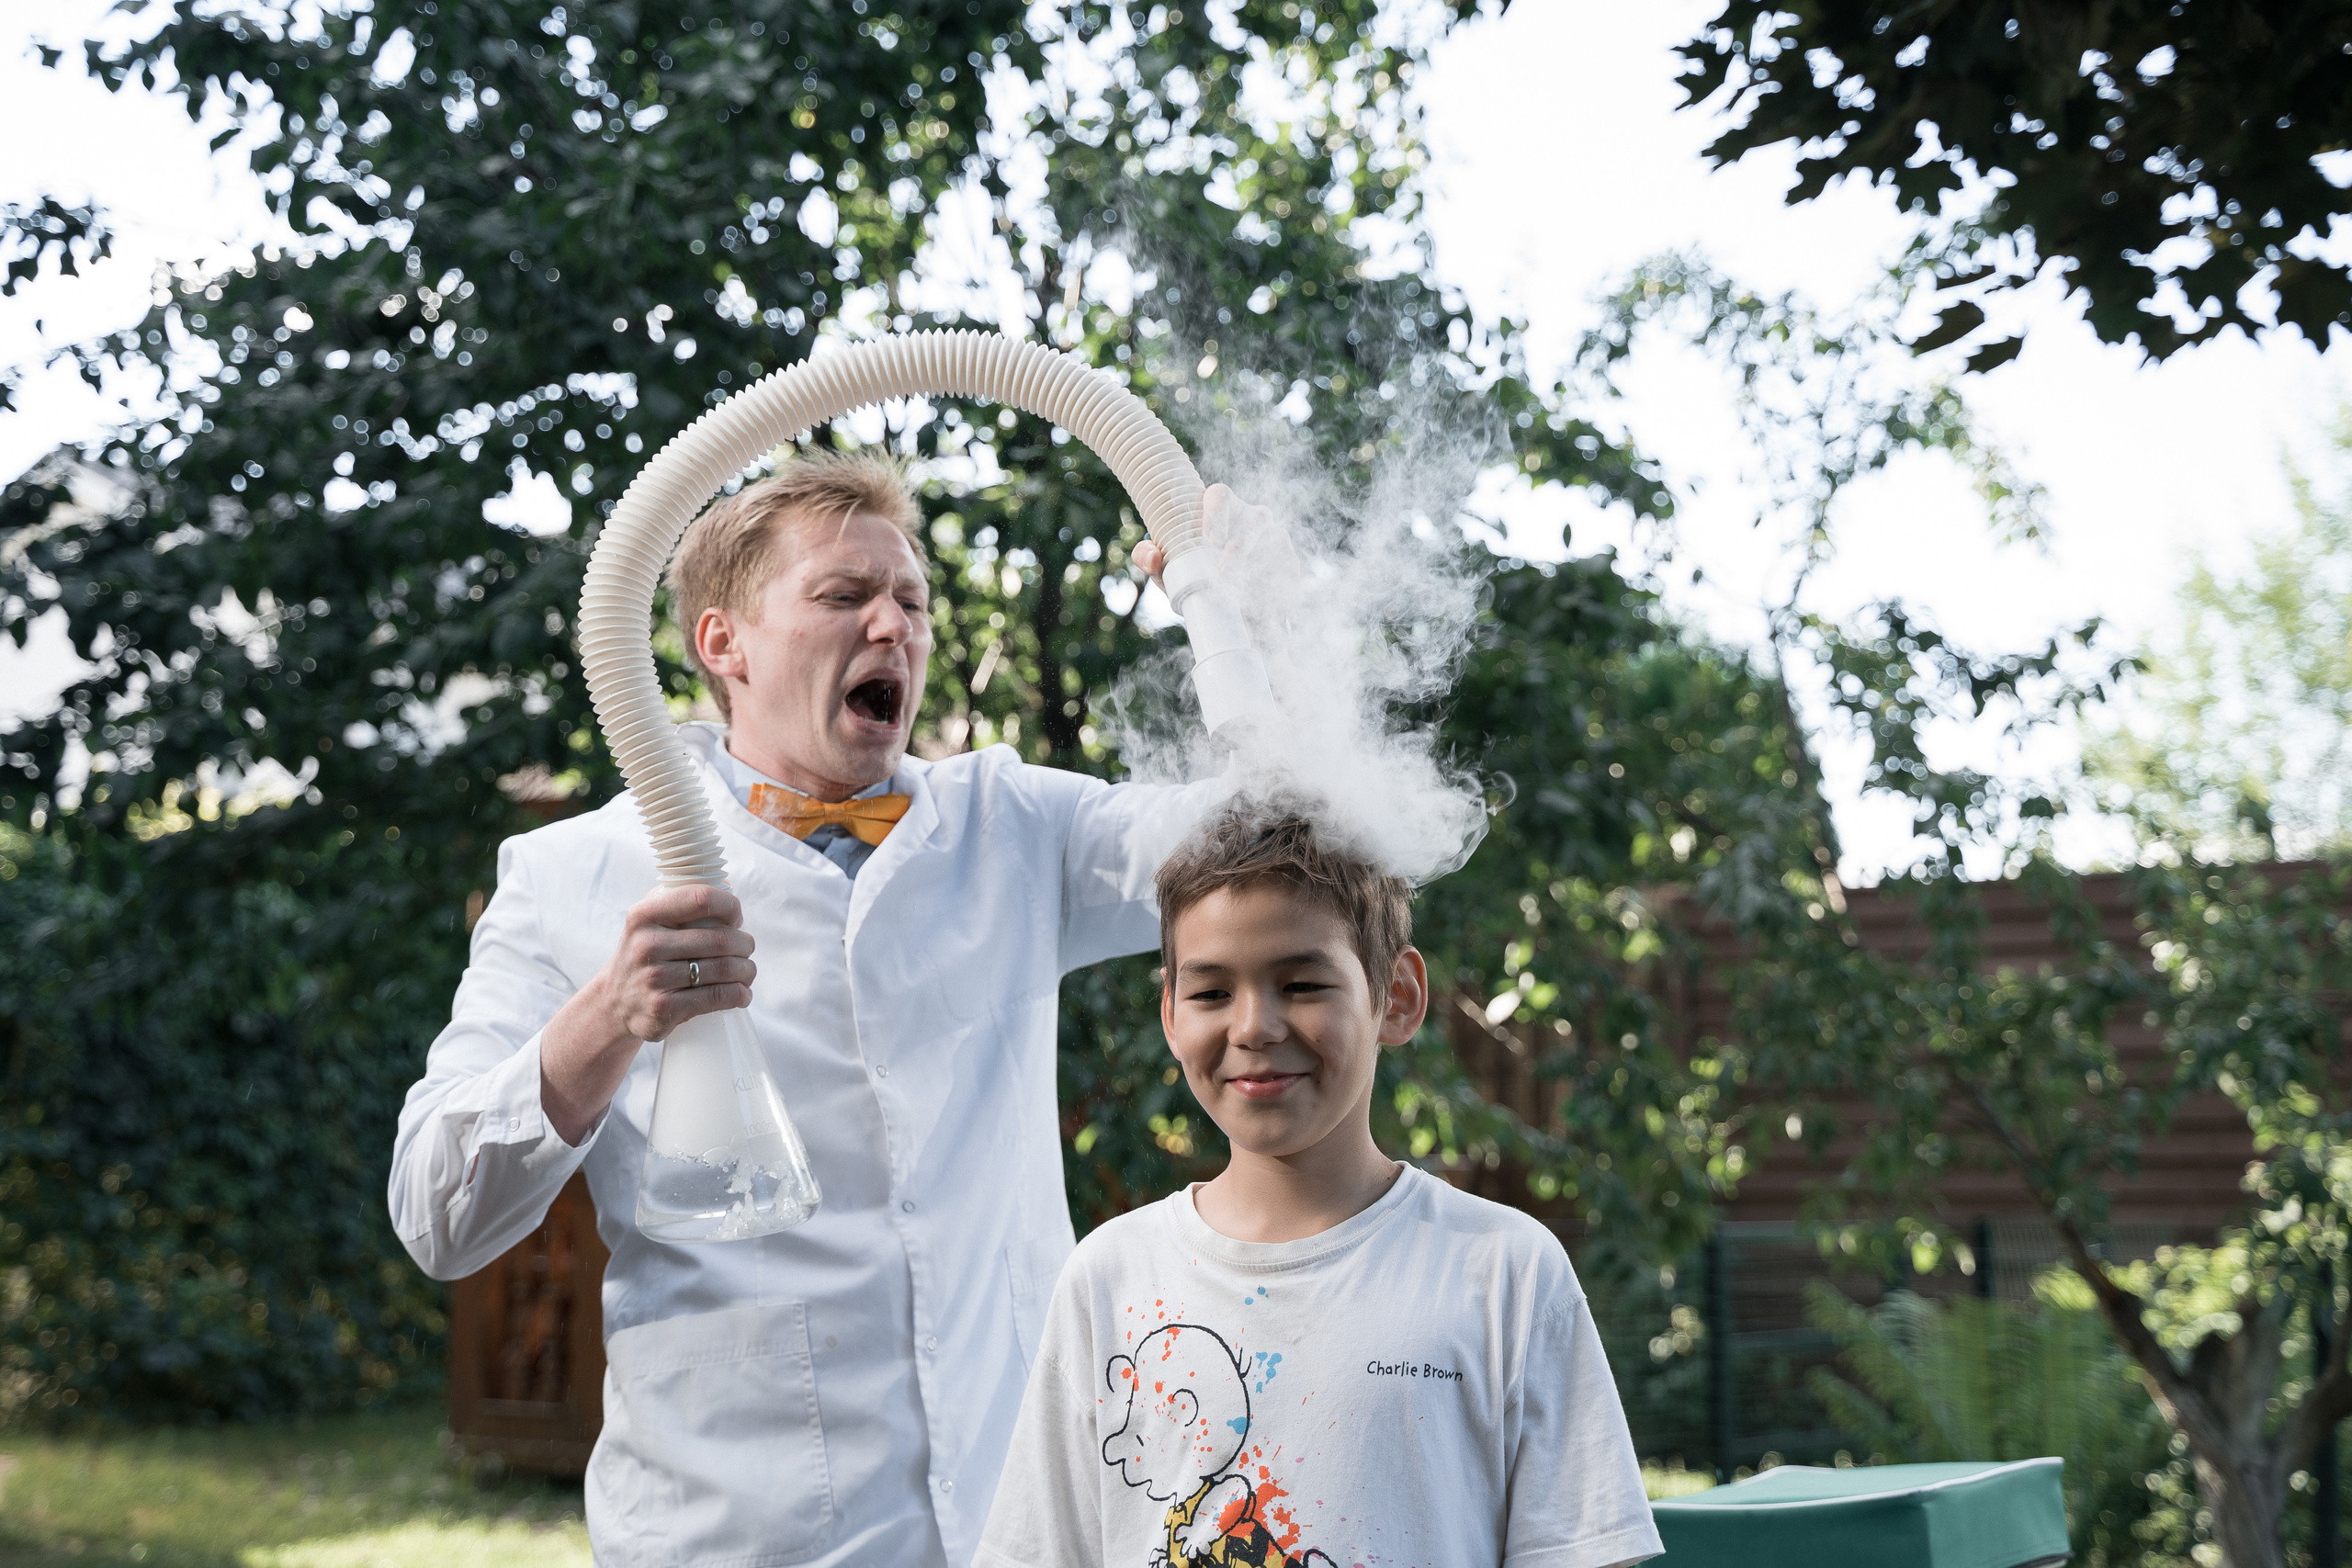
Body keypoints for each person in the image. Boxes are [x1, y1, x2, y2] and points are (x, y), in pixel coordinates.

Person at [390, 450, 1228, 1568]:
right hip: (737, 1532)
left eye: (913, 603)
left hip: (1020, 1523)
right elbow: (439, 1214)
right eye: (843, 596)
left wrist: (1231, 614)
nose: (894, 627)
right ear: (722, 642)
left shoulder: (1014, 828)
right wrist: (603, 1020)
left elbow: (1283, 840)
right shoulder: (573, 874)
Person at [974, 807, 1664, 1568]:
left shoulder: (1505, 1270)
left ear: (1395, 996)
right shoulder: (1107, 1277)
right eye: (1210, 993)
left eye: (1301, 983)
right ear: (1169, 1012)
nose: (1255, 1026)